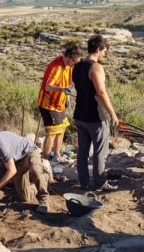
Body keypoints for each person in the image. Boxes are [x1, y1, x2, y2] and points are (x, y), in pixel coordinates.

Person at [73, 35, 119, 191]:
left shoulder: (77, 66)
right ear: (98, 49)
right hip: (95, 116)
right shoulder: (96, 67)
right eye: (104, 51)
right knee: (100, 151)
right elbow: (100, 92)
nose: (104, 54)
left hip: (79, 114)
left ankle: (84, 182)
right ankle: (100, 182)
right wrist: (112, 114)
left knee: (82, 151)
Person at [38, 43, 82, 162]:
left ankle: (56, 155)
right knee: (52, 132)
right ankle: (45, 160)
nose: (75, 64)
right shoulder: (56, 67)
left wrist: (66, 95)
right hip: (48, 104)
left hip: (59, 103)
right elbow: (47, 86)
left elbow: (66, 83)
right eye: (75, 62)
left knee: (62, 128)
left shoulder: (69, 66)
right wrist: (61, 90)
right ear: (68, 58)